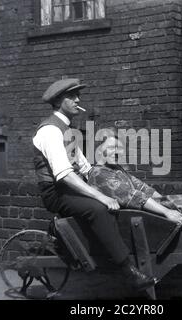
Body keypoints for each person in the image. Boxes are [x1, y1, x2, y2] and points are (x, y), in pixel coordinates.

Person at [32, 78, 157, 291]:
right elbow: (65, 175)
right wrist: (102, 196)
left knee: (115, 197)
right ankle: (129, 272)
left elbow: (85, 168)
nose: (77, 100)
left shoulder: (67, 129)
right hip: (56, 191)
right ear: (59, 101)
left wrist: (108, 178)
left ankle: (110, 251)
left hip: (70, 187)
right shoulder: (50, 131)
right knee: (98, 209)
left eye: (77, 95)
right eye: (72, 96)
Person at [87, 129, 182, 251]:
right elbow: (134, 197)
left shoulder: (116, 169)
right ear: (99, 151)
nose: (117, 152)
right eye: (111, 148)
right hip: (135, 216)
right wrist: (167, 211)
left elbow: (143, 188)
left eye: (119, 148)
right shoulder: (99, 173)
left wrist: (167, 201)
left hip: (144, 211)